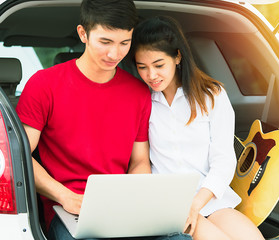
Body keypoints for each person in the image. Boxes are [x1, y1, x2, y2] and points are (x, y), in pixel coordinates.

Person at [16, 1, 191, 240]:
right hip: (66, 208)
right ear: (83, 34)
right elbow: (21, 156)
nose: (114, 54)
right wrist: (65, 196)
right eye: (105, 42)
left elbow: (139, 161)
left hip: (121, 208)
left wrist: (132, 201)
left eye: (124, 43)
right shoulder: (44, 85)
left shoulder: (139, 93)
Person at [130, 16, 265, 240]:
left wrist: (197, 202)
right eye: (142, 67)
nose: (151, 75)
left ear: (177, 57)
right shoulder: (141, 101)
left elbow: (223, 160)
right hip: (168, 202)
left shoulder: (212, 96)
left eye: (159, 65)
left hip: (210, 196)